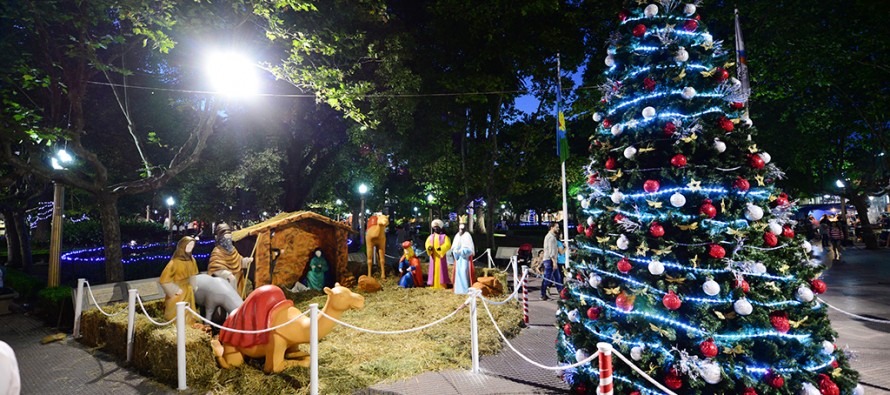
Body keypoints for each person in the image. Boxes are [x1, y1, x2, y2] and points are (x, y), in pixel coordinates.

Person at [159, 236, 199, 323]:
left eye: (192, 246)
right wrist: (175, 290)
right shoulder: (173, 263)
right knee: (176, 313)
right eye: (188, 245)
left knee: (188, 312)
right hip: (178, 292)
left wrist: (193, 285)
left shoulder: (192, 260)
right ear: (182, 246)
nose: (190, 248)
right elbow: (163, 280)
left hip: (188, 290)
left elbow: (193, 274)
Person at [208, 223, 253, 294]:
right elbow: (214, 268)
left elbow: (238, 261)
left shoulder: (233, 249)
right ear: (221, 238)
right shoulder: (217, 251)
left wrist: (245, 260)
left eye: (229, 236)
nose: (228, 238)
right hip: (226, 282)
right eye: (226, 236)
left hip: (237, 279)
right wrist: (226, 274)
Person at [451, 217, 475, 294]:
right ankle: (458, 290)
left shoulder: (467, 235)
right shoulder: (457, 235)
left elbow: (470, 249)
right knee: (458, 272)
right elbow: (454, 247)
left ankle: (465, 289)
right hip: (458, 258)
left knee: (464, 271)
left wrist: (462, 251)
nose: (461, 229)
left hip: (465, 258)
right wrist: (455, 250)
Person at [425, 219, 452, 289]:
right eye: (435, 228)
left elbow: (448, 244)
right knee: (433, 270)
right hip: (433, 256)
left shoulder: (444, 237)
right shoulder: (431, 237)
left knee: (441, 270)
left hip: (441, 257)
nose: (436, 229)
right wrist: (429, 248)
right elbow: (427, 244)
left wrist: (442, 248)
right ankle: (432, 284)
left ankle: (442, 284)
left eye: (437, 228)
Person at [540, 222, 560, 300]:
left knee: (556, 277)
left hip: (549, 260)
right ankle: (543, 294)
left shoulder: (550, 236)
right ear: (552, 227)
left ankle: (561, 292)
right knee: (548, 277)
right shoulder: (551, 238)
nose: (558, 229)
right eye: (556, 227)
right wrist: (554, 262)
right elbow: (551, 251)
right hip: (550, 260)